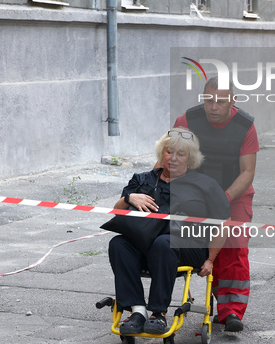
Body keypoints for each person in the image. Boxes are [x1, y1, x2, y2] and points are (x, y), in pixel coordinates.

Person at [108, 128, 230, 336]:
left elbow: (224, 223)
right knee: (118, 243)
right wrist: (129, 198)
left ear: (190, 159)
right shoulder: (142, 179)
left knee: (164, 242)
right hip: (144, 246)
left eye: (181, 154)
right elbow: (117, 212)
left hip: (187, 248)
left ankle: (158, 313)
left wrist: (210, 260)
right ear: (161, 153)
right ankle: (138, 311)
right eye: (169, 151)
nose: (173, 158)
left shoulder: (205, 185)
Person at [173, 76, 259, 332]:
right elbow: (171, 157)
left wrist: (222, 199)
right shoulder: (186, 121)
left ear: (232, 101)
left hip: (232, 195)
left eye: (220, 102)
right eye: (208, 100)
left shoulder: (245, 127)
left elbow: (247, 172)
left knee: (233, 246)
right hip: (194, 195)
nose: (213, 107)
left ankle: (231, 310)